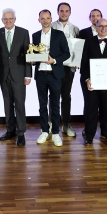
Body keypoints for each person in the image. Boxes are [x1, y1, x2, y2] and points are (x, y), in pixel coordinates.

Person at [80, 18, 107, 147]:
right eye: (101, 26)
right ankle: (89, 136)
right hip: (92, 84)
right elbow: (84, 63)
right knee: (90, 110)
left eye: (106, 26)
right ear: (96, 27)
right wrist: (87, 79)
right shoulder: (88, 42)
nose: (103, 28)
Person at [32, 10, 70, 147]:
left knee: (55, 105)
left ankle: (55, 133)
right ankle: (44, 131)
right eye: (43, 18)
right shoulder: (35, 35)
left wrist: (54, 60)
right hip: (41, 74)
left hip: (55, 75)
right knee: (42, 105)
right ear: (39, 20)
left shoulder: (59, 35)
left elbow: (66, 53)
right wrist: (32, 60)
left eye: (48, 18)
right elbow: (34, 54)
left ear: (51, 19)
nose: (46, 21)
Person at [0, 8, 32, 147]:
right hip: (4, 75)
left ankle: (21, 133)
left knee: (20, 105)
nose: (8, 21)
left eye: (10, 19)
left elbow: (28, 54)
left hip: (19, 74)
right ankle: (10, 131)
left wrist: (28, 74)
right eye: (6, 19)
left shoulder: (23, 32)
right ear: (2, 20)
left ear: (15, 19)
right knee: (7, 104)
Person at [78, 9, 107, 138]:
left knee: (106, 106)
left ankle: (105, 132)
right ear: (90, 18)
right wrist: (86, 76)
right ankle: (89, 132)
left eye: (98, 16)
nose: (95, 18)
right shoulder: (83, 33)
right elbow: (81, 55)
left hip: (106, 77)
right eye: (93, 16)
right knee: (90, 105)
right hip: (89, 76)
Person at [51, 2, 80, 137]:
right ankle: (52, 123)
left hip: (69, 68)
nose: (64, 13)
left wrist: (77, 61)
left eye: (66, 11)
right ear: (58, 12)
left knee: (66, 96)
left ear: (70, 13)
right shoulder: (51, 27)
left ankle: (66, 125)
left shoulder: (75, 29)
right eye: (61, 11)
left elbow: (77, 49)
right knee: (53, 96)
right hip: (54, 66)